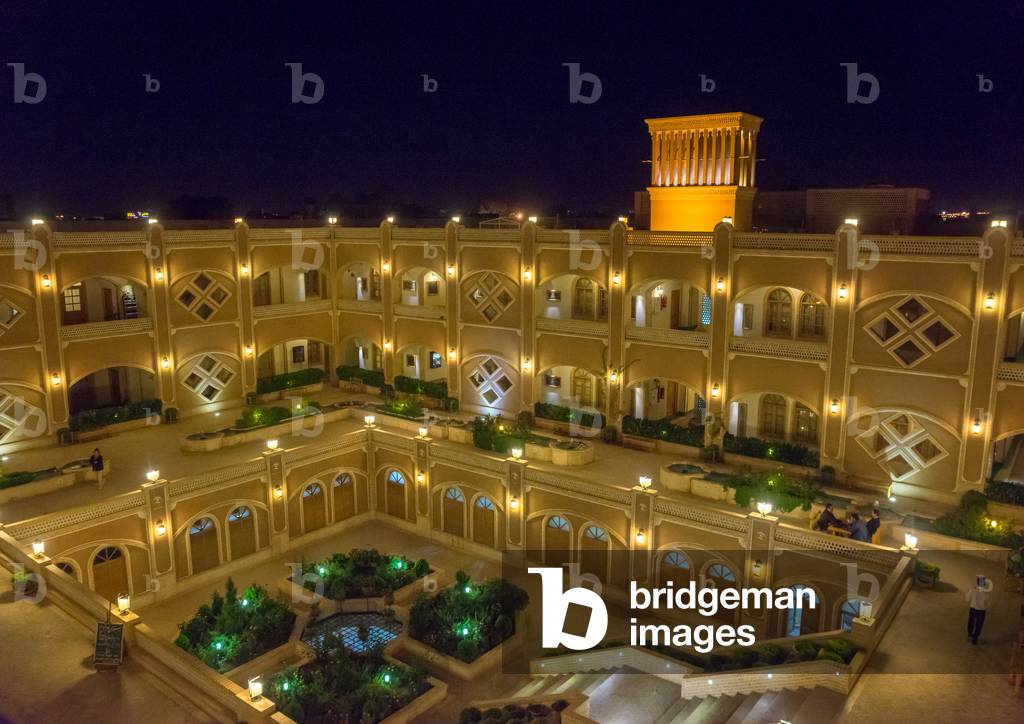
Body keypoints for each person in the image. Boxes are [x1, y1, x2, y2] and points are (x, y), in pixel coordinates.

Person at [966, 574, 993, 644]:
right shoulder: (986, 593)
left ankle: (970, 635)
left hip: (973, 609)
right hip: (981, 611)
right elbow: (989, 604)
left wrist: (968, 591)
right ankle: (975, 639)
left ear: (977, 582)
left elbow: (967, 599)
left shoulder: (973, 590)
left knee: (971, 622)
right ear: (984, 583)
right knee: (979, 625)